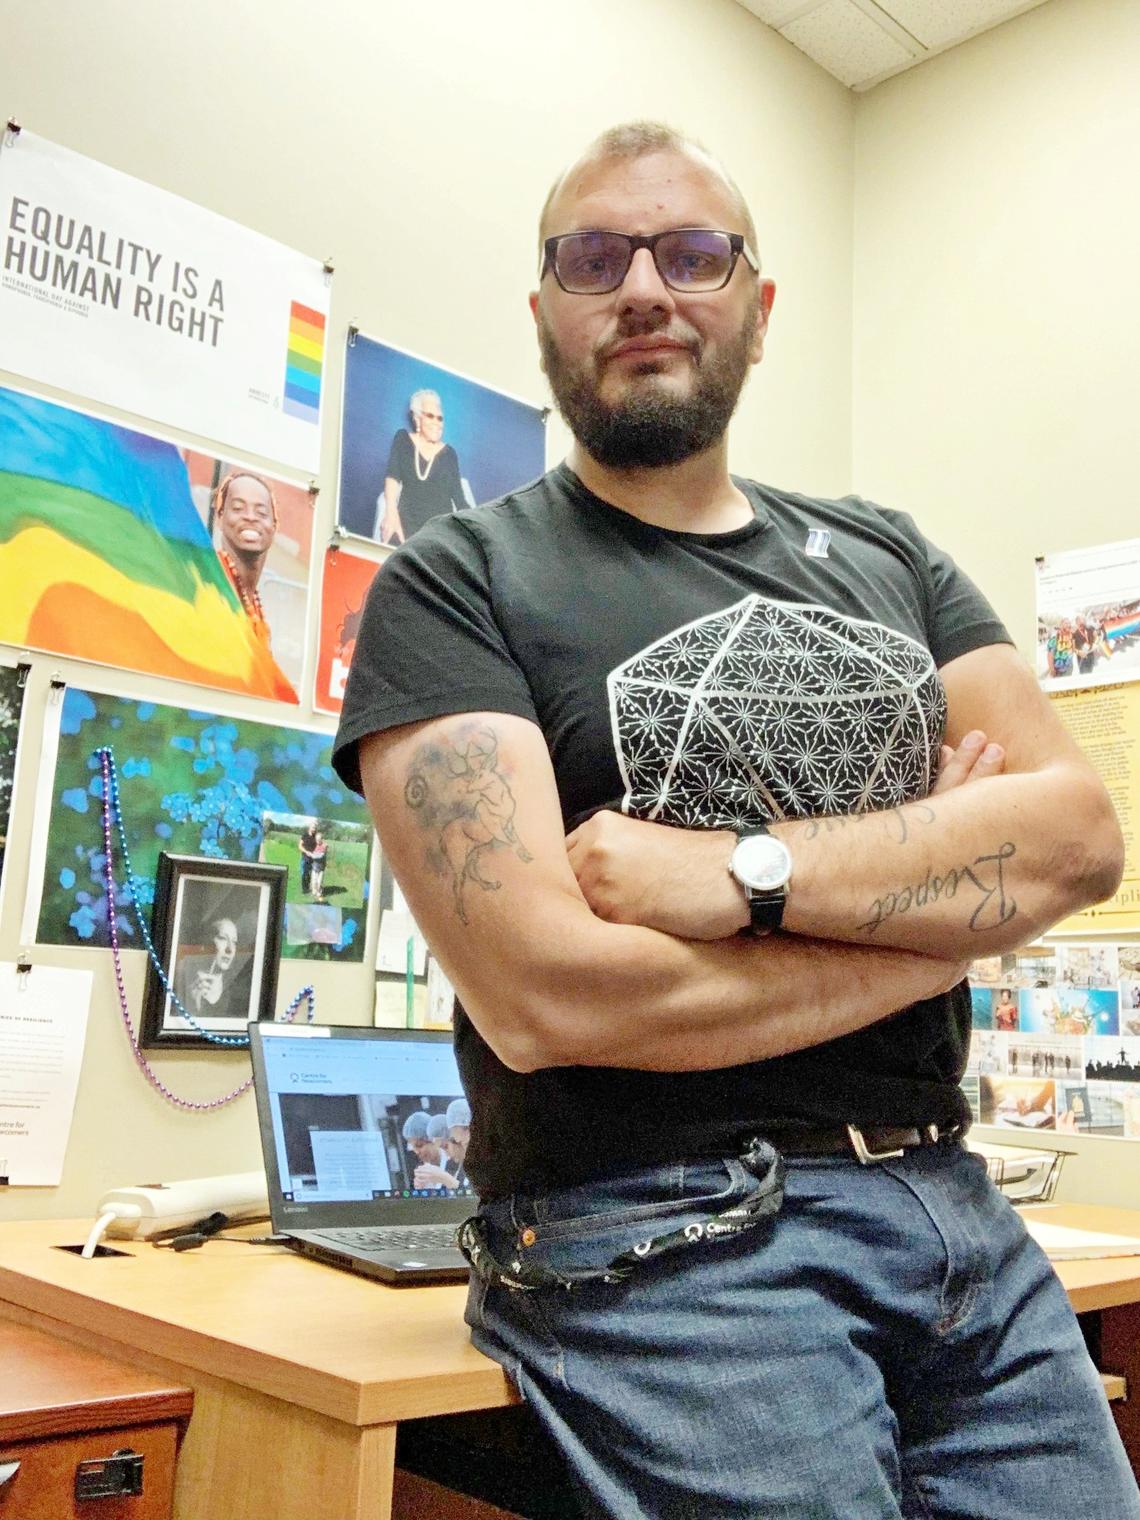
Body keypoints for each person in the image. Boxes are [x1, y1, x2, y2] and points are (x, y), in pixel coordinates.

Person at [334, 122, 1138, 1518]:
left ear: (758, 311)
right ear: (546, 317)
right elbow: (547, 996)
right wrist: (940, 932)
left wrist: (741, 876)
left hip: (955, 1207)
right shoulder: (455, 580)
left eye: (692, 254)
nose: (644, 286)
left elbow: (1074, 837)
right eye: (597, 257)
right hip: (657, 1229)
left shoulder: (890, 556)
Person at [376, 389, 468, 544]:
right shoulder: (403, 439)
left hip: (439, 533)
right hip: (406, 524)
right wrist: (391, 512)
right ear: (417, 418)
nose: (436, 423)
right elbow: (392, 477)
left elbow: (459, 499)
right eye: (430, 416)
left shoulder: (449, 454)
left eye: (440, 419)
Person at [212, 471, 279, 649]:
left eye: (261, 512)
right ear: (220, 517)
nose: (250, 517)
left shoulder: (255, 607)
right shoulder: (209, 582)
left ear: (274, 526)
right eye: (238, 508)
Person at [173, 915, 253, 1019]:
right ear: (207, 942)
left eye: (234, 942)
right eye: (223, 938)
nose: (230, 949)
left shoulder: (238, 986)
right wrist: (193, 1004)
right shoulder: (183, 972)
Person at [298, 820, 320, 895]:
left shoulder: (316, 836)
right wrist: (306, 852)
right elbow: (300, 846)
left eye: (315, 828)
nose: (314, 829)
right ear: (310, 827)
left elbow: (319, 844)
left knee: (310, 874)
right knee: (304, 873)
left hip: (313, 859)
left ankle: (309, 887)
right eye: (313, 827)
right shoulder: (305, 835)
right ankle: (304, 889)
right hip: (305, 857)